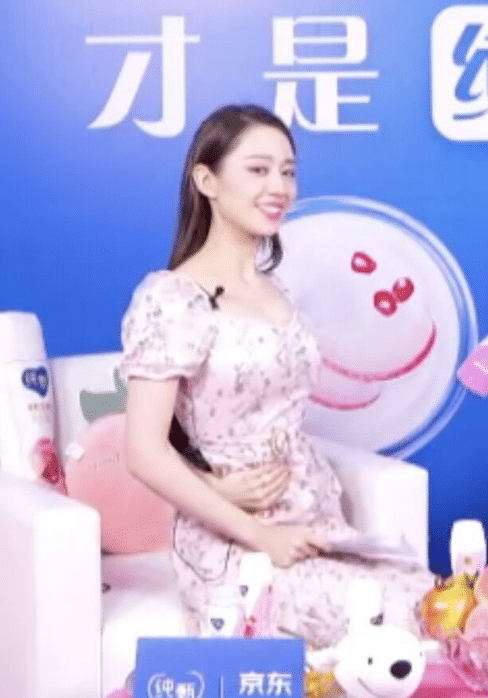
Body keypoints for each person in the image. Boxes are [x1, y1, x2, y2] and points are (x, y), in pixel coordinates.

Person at [120, 104, 434, 647]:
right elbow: (143, 452)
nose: (279, 187)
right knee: (397, 618)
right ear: (206, 181)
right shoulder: (171, 298)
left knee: (443, 603)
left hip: (317, 522)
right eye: (258, 170)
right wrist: (257, 531)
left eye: (288, 171)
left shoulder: (277, 290)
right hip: (237, 542)